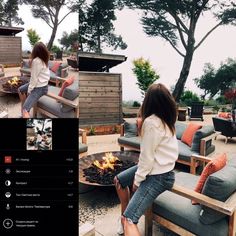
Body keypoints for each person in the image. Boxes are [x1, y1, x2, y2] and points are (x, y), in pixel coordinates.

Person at [114, 83, 179, 236]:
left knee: (130, 220)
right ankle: (125, 212)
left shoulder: (151, 123)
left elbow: (147, 158)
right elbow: (149, 159)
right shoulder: (166, 120)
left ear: (148, 101)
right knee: (119, 180)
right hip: (158, 169)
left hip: (159, 176)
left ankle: (126, 218)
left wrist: (137, 182)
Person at [18, 42, 50, 118]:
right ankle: (24, 108)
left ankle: (25, 110)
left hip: (39, 88)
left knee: (25, 110)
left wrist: (29, 90)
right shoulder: (44, 60)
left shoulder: (37, 61)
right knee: (20, 89)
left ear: (35, 51)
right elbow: (35, 78)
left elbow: (34, 78)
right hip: (40, 85)